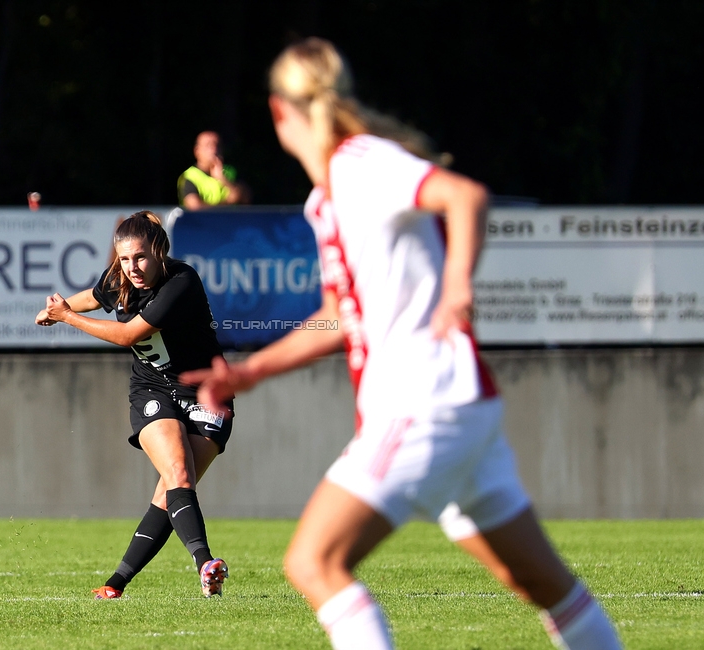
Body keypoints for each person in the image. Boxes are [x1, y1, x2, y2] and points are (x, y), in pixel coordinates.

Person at [181, 38, 621, 649]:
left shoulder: (361, 162)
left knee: (314, 563)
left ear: (281, 112)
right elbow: (338, 315)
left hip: (420, 404)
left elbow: (464, 196)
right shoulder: (325, 197)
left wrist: (457, 288)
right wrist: (252, 373)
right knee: (548, 588)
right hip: (462, 408)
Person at [35, 210, 231, 599]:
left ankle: (115, 583)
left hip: (207, 393)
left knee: (170, 492)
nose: (132, 268)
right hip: (152, 389)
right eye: (124, 259)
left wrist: (67, 318)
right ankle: (207, 565)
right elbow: (93, 297)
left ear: (158, 251)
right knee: (177, 471)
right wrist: (54, 313)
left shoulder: (181, 281)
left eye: (139, 257)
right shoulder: (121, 278)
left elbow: (127, 335)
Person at [177, 131, 249, 209]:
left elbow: (246, 198)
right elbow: (195, 208)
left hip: (232, 221)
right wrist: (228, 203)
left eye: (217, 145)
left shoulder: (231, 171)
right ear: (197, 151)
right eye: (208, 145)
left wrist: (224, 180)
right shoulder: (189, 176)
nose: (214, 149)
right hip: (202, 221)